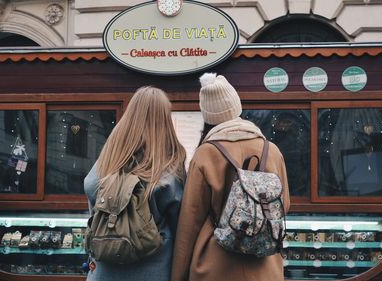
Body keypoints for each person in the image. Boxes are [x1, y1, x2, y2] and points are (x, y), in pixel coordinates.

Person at [172, 73, 290, 281]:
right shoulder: (271, 150)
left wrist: (177, 274)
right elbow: (284, 205)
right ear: (237, 107)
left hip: (214, 266)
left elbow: (190, 221)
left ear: (207, 115)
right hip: (265, 267)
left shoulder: (205, 153)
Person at [84, 86, 186, 281]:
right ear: (164, 120)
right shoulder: (168, 165)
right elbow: (180, 225)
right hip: (154, 272)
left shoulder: (108, 160)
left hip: (103, 273)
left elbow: (91, 193)